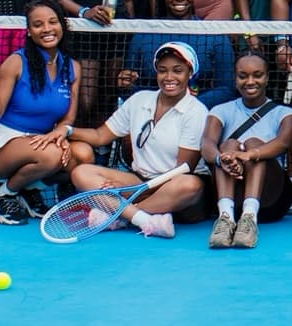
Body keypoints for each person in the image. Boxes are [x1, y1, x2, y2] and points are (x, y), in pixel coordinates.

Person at [64, 40, 211, 239]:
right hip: (140, 180)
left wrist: (134, 191)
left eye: (178, 70)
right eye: (162, 70)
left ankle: (121, 217)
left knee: (189, 185)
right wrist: (67, 130)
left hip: (176, 187)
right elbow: (100, 136)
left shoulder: (197, 112)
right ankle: (143, 219)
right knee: (81, 173)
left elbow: (182, 169)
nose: (169, 77)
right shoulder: (139, 100)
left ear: (190, 73)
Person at [0, 0, 84, 224]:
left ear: (62, 26)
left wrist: (62, 133)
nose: (47, 29)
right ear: (29, 31)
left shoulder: (73, 67)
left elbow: (69, 117)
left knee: (83, 155)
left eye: (52, 22)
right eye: (38, 25)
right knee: (52, 156)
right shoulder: (16, 63)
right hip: (0, 145)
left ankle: (28, 189)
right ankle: (2, 194)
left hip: (38, 141)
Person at [204, 50, 292, 248]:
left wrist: (248, 154)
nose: (250, 81)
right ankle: (226, 217)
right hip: (231, 190)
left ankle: (250, 218)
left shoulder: (285, 113)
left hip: (270, 199)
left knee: (255, 143)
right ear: (235, 78)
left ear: (267, 77)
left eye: (257, 75)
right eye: (243, 76)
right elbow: (207, 145)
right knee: (228, 146)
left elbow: (282, 143)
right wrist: (225, 160)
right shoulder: (220, 111)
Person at [121, 0, 235, 101]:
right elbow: (129, 86)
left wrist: (189, 106)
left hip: (200, 112)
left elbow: (227, 89)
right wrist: (127, 86)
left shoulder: (214, 35)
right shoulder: (143, 35)